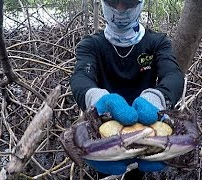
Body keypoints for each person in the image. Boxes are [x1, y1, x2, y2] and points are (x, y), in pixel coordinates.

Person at [70, 0, 184, 177]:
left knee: (140, 172)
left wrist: (157, 98)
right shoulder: (91, 45)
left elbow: (173, 75)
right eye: (113, 2)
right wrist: (97, 99)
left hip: (148, 123)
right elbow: (81, 77)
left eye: (129, 3)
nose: (120, 10)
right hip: (106, 128)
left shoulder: (157, 42)